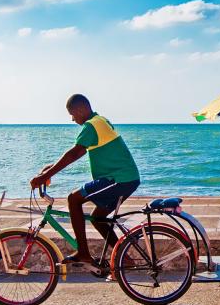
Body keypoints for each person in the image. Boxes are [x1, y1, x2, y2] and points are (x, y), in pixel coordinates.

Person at [30, 94, 140, 265]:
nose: (72, 119)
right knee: (98, 218)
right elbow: (78, 153)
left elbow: (74, 153)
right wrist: (50, 169)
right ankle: (125, 260)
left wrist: (45, 176)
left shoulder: (91, 125)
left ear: (81, 109)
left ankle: (83, 253)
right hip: (127, 179)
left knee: (73, 199)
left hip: (118, 179)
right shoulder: (100, 120)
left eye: (72, 114)